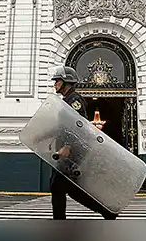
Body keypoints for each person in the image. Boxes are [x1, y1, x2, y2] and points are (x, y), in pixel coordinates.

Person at [49, 65, 118, 220]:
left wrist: (68, 145)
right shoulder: (66, 101)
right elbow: (63, 126)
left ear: (66, 82)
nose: (54, 84)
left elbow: (78, 125)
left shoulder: (74, 100)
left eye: (57, 81)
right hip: (66, 152)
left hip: (72, 151)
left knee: (59, 186)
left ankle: (59, 222)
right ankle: (107, 211)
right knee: (67, 187)